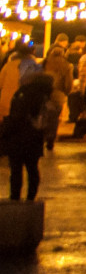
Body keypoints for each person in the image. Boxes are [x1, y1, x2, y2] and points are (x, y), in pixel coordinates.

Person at [3, 71, 53, 201]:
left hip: (17, 136)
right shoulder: (44, 97)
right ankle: (31, 197)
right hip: (34, 137)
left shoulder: (22, 93)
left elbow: (15, 114)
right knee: (32, 169)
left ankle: (15, 197)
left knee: (16, 170)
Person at [41, 43, 73, 153]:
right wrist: (67, 91)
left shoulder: (45, 62)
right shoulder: (66, 65)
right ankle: (50, 140)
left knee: (43, 115)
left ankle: (41, 138)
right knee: (54, 118)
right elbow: (68, 82)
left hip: (44, 91)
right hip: (58, 93)